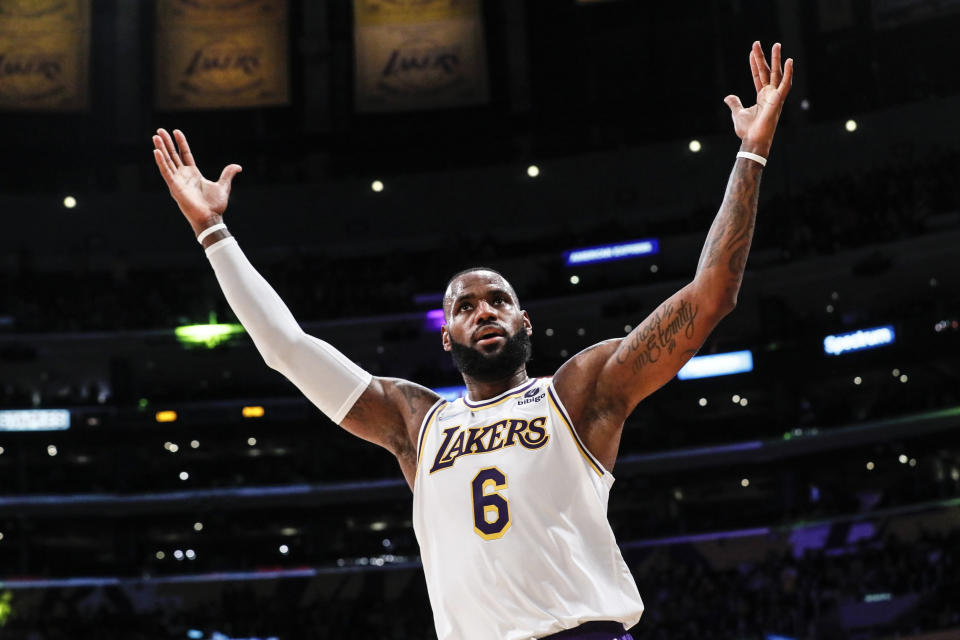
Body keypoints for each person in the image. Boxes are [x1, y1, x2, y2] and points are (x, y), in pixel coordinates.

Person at [152, 41, 793, 640]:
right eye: (464, 305)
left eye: (499, 301)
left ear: (525, 323)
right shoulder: (414, 422)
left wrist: (752, 153)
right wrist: (214, 233)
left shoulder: (577, 392)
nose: (483, 311)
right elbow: (286, 348)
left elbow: (712, 293)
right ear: (446, 336)